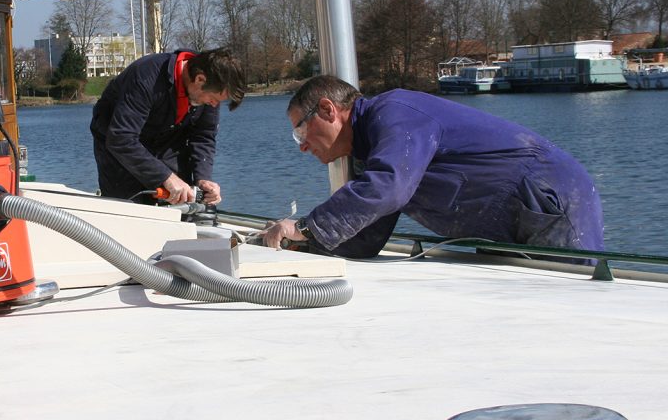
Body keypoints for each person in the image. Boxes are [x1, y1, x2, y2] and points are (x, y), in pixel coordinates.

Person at [263, 75, 605, 261]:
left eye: (300, 131)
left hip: (547, 196)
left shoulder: (396, 112)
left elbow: (388, 188)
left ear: (327, 110)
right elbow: (366, 237)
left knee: (573, 299)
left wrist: (306, 227)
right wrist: (300, 245)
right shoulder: (372, 153)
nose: (304, 146)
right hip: (502, 220)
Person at [90, 47, 246, 205]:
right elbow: (121, 138)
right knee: (128, 210)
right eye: (214, 99)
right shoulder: (147, 75)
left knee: (182, 198)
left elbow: (203, 136)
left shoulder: (209, 86)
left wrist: (203, 178)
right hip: (117, 144)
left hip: (168, 141)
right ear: (200, 79)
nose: (214, 105)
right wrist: (165, 176)